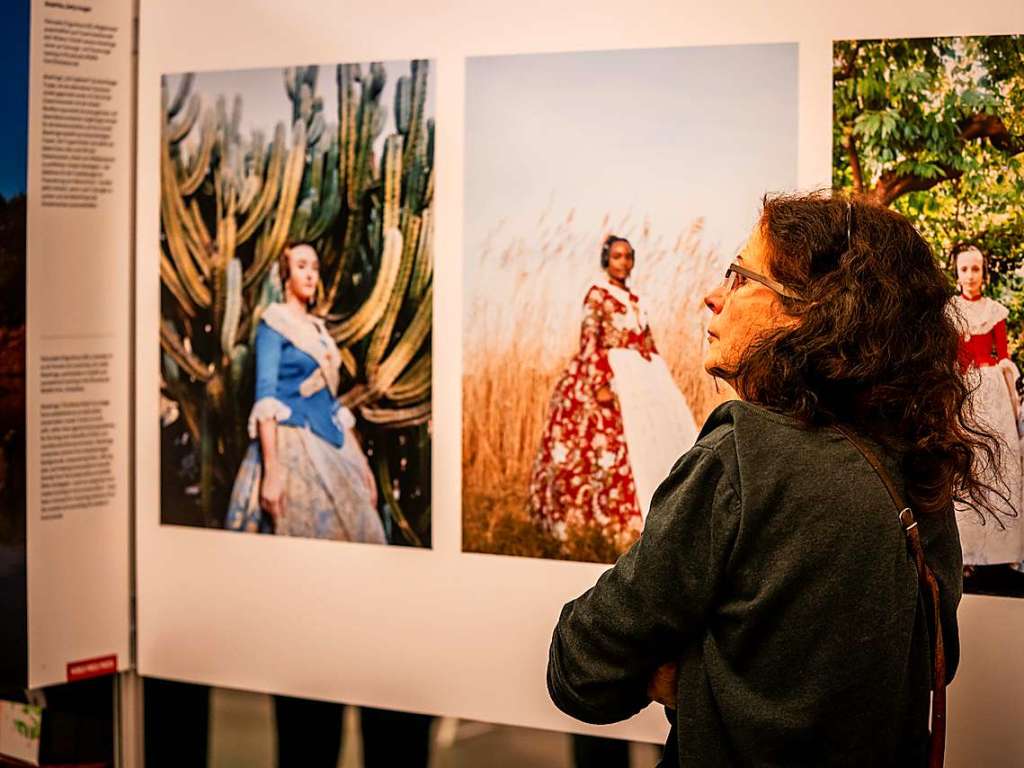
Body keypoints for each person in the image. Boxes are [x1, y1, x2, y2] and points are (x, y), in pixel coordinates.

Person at [547, 193, 988, 766]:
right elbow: (934, 657)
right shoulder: (912, 454)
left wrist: (697, 676)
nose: (712, 296)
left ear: (806, 312)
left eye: (737, 276)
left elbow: (580, 668)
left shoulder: (739, 453)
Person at [529, 235, 699, 554]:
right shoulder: (597, 295)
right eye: (617, 256)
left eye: (628, 256)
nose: (623, 262)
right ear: (607, 259)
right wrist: (600, 384)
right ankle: (596, 521)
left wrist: (658, 372)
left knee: (653, 440)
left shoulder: (635, 299)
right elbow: (590, 341)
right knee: (605, 444)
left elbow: (646, 338)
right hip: (613, 371)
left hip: (642, 375)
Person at [225, 242, 385, 544]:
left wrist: (361, 463)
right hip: (292, 443)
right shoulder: (274, 323)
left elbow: (331, 402)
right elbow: (266, 399)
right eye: (301, 267)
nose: (310, 275)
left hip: (334, 443)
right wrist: (272, 473)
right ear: (286, 275)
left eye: (314, 268)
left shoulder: (318, 331)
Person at [948, 244, 1024, 575]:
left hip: (990, 387)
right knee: (969, 462)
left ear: (983, 272)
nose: (970, 276)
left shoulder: (995, 311)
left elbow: (1002, 353)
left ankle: (1005, 549)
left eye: (975, 269)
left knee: (999, 458)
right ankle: (967, 553)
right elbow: (950, 353)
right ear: (957, 273)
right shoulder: (950, 310)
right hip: (964, 389)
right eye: (964, 270)